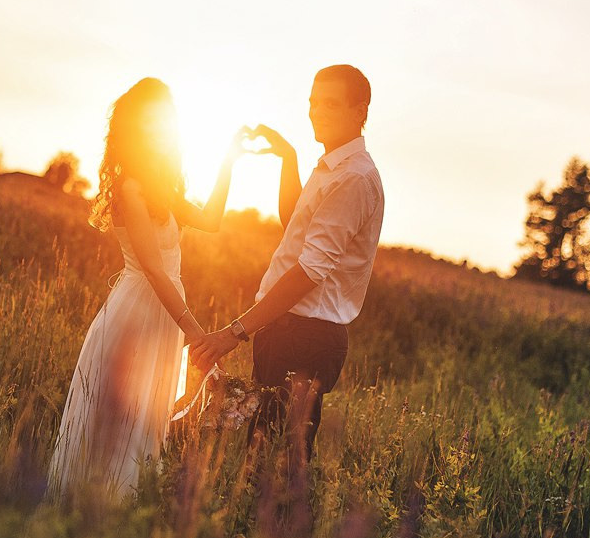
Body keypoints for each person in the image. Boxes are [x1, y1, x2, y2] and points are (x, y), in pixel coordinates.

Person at [47, 77, 249, 499]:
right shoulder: (131, 188)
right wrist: (196, 334)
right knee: (123, 417)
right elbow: (155, 271)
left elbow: (211, 219)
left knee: (146, 418)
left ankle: (123, 507)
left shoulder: (161, 189)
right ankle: (95, 507)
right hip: (138, 311)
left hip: (164, 312)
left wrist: (229, 160)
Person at [189, 64, 384, 463]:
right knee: (265, 458)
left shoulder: (352, 178)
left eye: (330, 104)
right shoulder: (331, 168)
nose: (317, 112)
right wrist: (288, 157)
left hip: (304, 338)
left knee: (275, 467)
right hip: (287, 332)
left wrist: (234, 332)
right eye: (313, 102)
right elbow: (295, 221)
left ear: (360, 111)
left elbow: (311, 270)